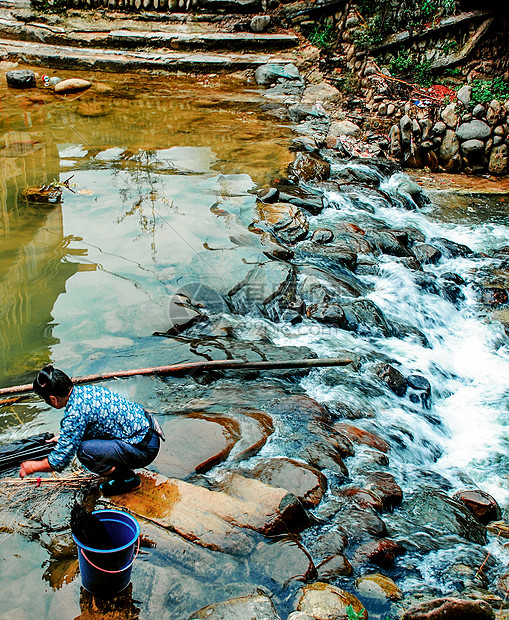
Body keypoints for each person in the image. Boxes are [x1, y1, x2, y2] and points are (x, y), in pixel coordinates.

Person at [19, 365, 162, 496]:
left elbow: (59, 461)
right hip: (149, 432)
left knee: (84, 452)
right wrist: (65, 439)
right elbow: (90, 425)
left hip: (144, 448)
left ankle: (127, 479)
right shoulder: (85, 391)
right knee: (81, 444)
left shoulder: (74, 414)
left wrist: (32, 466)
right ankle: (124, 471)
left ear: (53, 399)